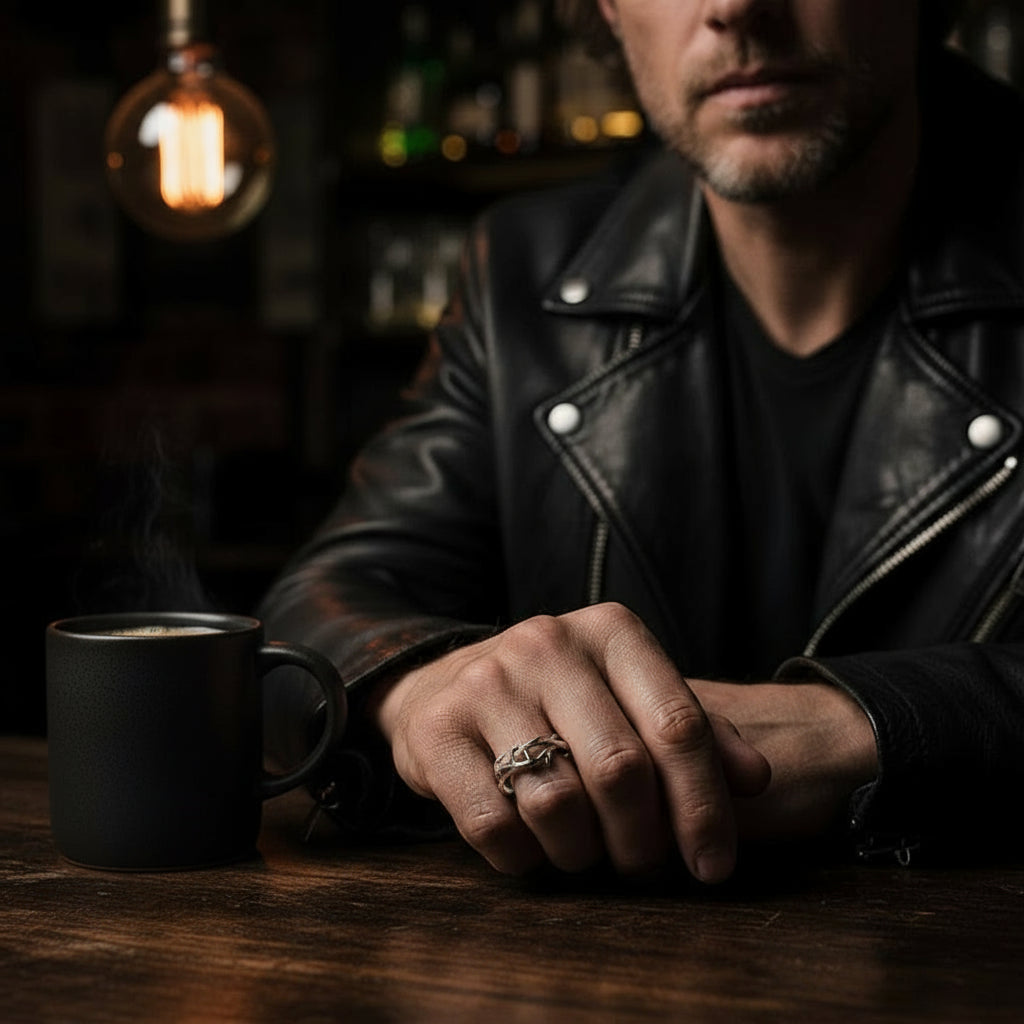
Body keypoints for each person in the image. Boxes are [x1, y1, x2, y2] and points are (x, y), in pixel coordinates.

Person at [259, 0, 1024, 884]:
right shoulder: (527, 277)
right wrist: (428, 687)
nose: (736, 7)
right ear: (609, 12)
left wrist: (859, 728)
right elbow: (316, 614)